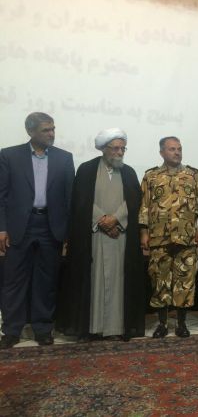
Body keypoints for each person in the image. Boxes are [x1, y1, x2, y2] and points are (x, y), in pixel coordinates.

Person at [56, 128, 146, 341]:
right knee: (93, 281)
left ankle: (115, 328)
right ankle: (92, 328)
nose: (120, 152)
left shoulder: (129, 172)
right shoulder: (87, 169)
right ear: (104, 149)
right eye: (115, 148)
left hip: (121, 236)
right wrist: (102, 220)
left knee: (118, 282)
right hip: (93, 236)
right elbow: (81, 201)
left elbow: (134, 201)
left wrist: (116, 219)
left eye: (123, 148)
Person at [0, 112, 74, 348]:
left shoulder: (64, 158)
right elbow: (1, 195)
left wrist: (68, 232)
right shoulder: (9, 156)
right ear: (30, 131)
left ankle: (43, 329)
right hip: (19, 226)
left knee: (46, 280)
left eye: (53, 129)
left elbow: (69, 198)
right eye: (46, 130)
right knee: (14, 280)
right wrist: (2, 228)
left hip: (51, 226)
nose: (51, 134)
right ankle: (11, 330)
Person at [139, 137, 198, 339]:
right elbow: (144, 207)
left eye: (179, 149)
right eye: (172, 149)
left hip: (186, 239)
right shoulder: (151, 176)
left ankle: (181, 324)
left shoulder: (193, 175)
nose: (177, 152)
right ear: (162, 152)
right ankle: (162, 324)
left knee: (184, 282)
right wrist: (144, 233)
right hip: (159, 239)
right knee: (159, 282)